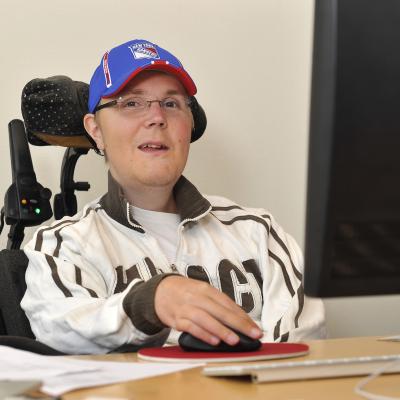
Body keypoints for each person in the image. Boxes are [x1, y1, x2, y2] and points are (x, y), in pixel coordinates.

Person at [21, 39, 326, 354]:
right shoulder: (64, 246)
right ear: (96, 130)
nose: (157, 117)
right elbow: (59, 329)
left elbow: (300, 345)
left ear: (189, 124)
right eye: (131, 103)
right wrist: (149, 303)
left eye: (171, 103)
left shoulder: (259, 232)